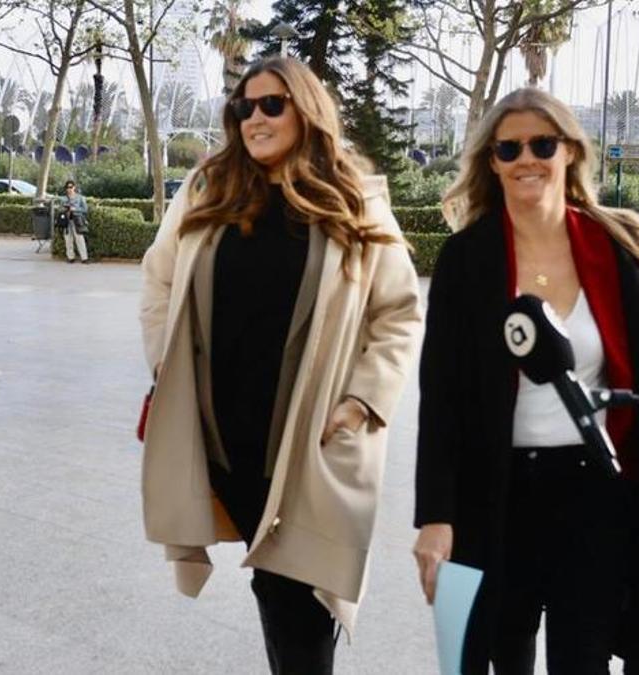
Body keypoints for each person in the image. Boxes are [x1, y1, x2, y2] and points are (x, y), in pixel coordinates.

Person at [412, 87, 639, 674]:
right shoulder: (467, 260)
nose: (526, 158)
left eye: (542, 143)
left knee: (581, 658)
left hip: (595, 493)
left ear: (569, 151)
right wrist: (435, 515)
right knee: (498, 653)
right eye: (509, 148)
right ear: (492, 161)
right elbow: (443, 397)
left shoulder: (615, 246)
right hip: (497, 492)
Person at [139, 57, 422, 673]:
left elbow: (398, 312)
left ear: (306, 111)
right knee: (277, 588)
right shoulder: (208, 188)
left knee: (297, 597)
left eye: (273, 104)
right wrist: (168, 368)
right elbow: (158, 281)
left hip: (311, 440)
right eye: (244, 107)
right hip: (226, 440)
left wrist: (362, 402)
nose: (256, 118)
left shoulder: (354, 197)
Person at [57, 180, 90, 263]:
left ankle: (84, 258)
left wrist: (75, 209)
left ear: (74, 187)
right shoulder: (63, 199)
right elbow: (59, 209)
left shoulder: (80, 197)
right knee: (68, 240)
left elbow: (85, 209)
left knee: (80, 239)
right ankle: (71, 258)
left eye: (71, 187)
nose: (69, 189)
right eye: (67, 187)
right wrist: (65, 209)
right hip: (67, 221)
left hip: (77, 221)